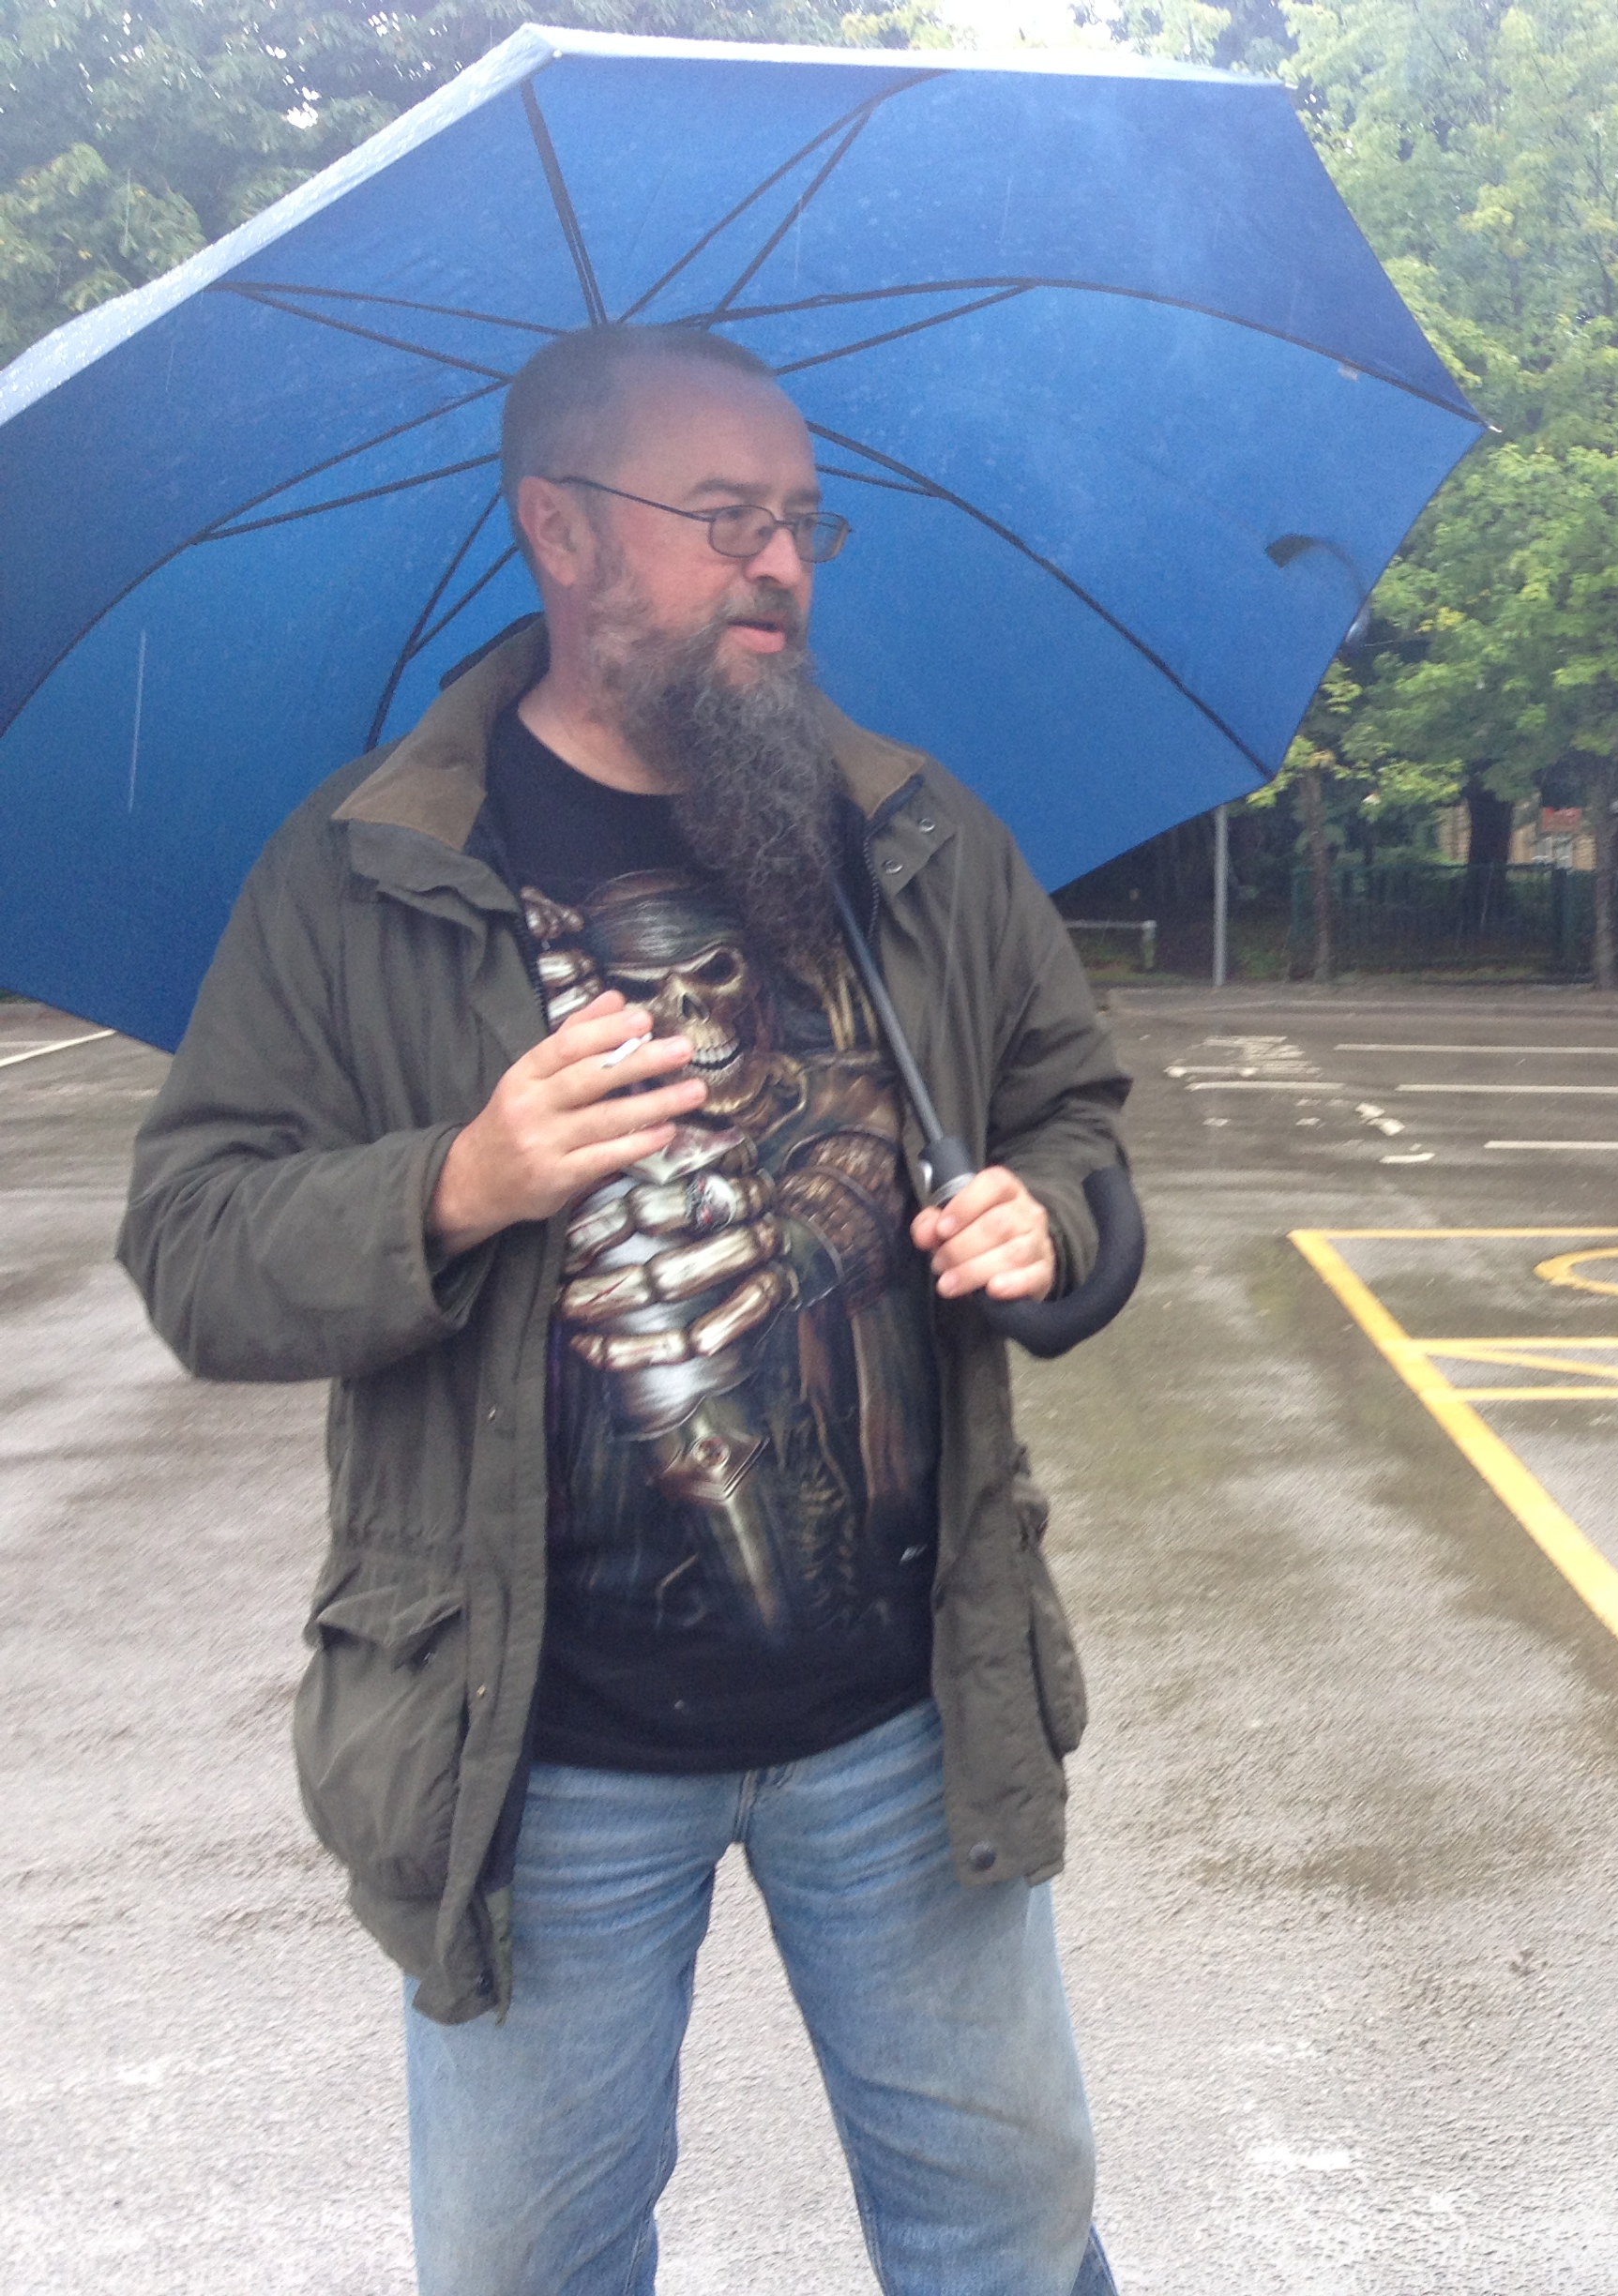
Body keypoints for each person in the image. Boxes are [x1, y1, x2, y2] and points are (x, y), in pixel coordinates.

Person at [117, 323, 1128, 2296]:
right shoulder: (365, 869)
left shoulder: (909, 835)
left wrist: (1056, 1224)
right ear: (562, 532)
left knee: (1008, 2243)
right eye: (725, 517)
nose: (784, 565)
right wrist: (453, 1183)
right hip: (537, 1743)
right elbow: (195, 1244)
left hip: (906, 1713)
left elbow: (1070, 1114)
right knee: (529, 2271)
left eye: (804, 520)